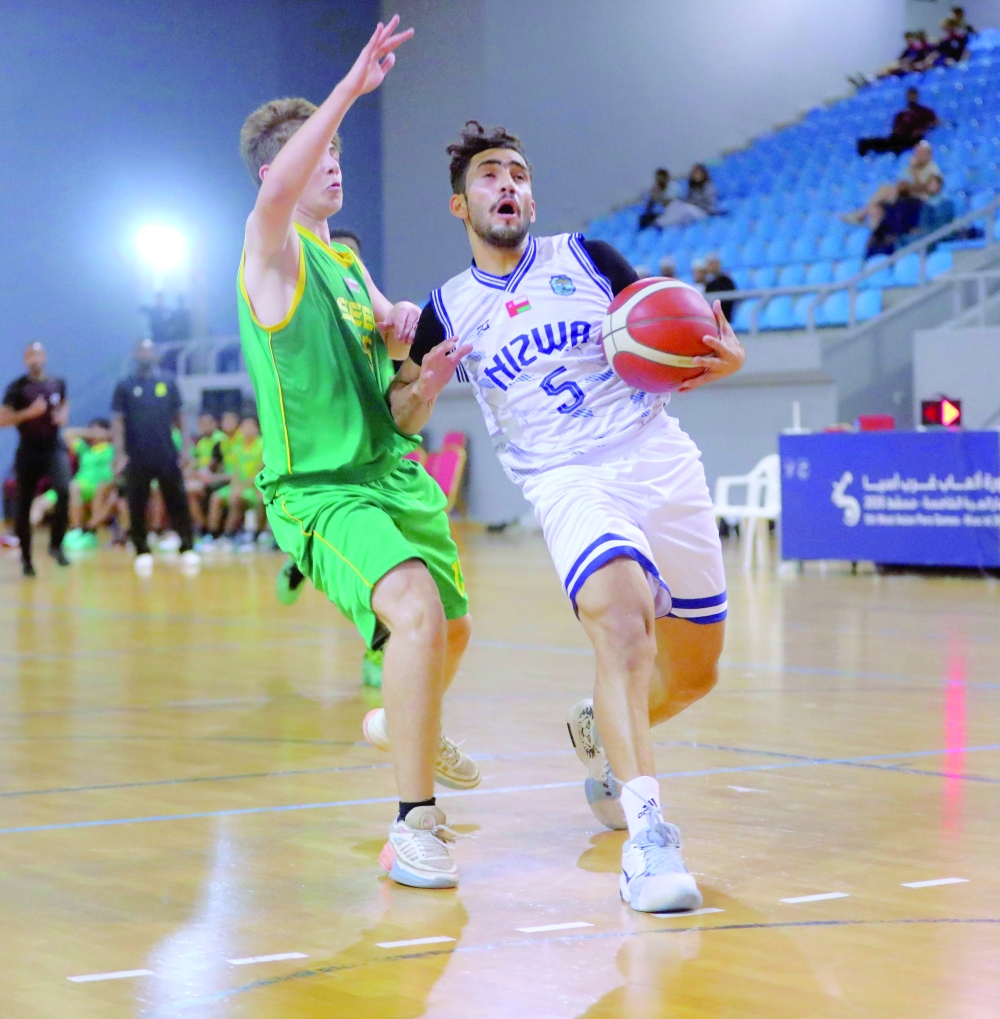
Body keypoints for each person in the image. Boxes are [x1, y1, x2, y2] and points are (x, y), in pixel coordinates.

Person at [394, 121, 745, 913]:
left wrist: (726, 355)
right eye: (490, 175)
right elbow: (402, 411)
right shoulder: (446, 308)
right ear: (461, 204)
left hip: (656, 455)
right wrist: (424, 388)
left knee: (694, 672)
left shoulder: (587, 258)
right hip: (567, 479)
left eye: (518, 172)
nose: (508, 184)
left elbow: (683, 329)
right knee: (622, 627)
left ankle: (600, 725)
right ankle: (649, 837)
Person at [236, 18, 478, 891]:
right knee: (413, 612)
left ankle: (401, 720)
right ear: (279, 172)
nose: (335, 160)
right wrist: (349, 89)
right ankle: (415, 828)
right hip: (322, 488)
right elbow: (277, 199)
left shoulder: (345, 263)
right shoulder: (271, 252)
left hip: (389, 471)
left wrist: (429, 367)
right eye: (319, 149)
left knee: (452, 629)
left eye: (341, 147)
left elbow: (401, 407)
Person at [112, 339, 199, 573]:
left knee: (177, 500)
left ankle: (187, 546)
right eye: (141, 351)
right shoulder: (125, 386)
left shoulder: (169, 382)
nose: (145, 355)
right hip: (136, 455)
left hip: (166, 453)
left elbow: (181, 416)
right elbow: (118, 421)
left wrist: (186, 449)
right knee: (136, 503)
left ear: (156, 356)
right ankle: (141, 549)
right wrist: (119, 453)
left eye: (149, 351)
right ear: (134, 355)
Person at [0, 342, 71, 576]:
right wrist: (27, 414)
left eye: (38, 355)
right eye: (30, 355)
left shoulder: (57, 383)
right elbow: (3, 420)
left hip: (53, 448)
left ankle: (56, 545)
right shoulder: (17, 388)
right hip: (29, 449)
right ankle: (27, 558)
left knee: (63, 490)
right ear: (25, 359)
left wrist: (62, 415)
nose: (35, 359)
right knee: (23, 504)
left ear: (45, 357)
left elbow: (63, 403)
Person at [843, 141, 942, 229]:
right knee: (875, 207)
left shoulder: (932, 169)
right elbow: (901, 181)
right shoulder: (913, 167)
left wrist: (912, 179)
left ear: (928, 155)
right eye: (916, 152)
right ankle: (876, 233)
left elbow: (930, 190)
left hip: (921, 200)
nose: (917, 155)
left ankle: (861, 215)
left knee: (885, 190)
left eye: (921, 153)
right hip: (906, 196)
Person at [62, 418, 117, 549]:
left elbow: (121, 436)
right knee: (74, 487)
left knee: (105, 491)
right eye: (92, 430)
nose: (95, 434)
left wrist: (107, 435)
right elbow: (67, 433)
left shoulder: (112, 448)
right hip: (83, 487)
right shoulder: (85, 449)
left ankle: (90, 530)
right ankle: (77, 531)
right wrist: (91, 433)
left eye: (98, 430)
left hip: (105, 486)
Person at [857, 88, 939, 157]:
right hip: (897, 138)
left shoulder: (924, 111)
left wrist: (923, 129)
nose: (911, 97)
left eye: (913, 95)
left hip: (912, 140)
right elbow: (894, 128)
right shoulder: (901, 113)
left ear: (917, 96)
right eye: (909, 95)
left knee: (897, 146)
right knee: (865, 142)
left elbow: (935, 122)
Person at [184, 412, 226, 534]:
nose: (203, 426)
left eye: (206, 423)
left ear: (214, 424)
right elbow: (195, 461)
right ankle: (201, 526)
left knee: (190, 492)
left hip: (218, 478)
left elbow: (214, 464)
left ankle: (205, 529)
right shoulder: (202, 442)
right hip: (204, 477)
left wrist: (197, 474)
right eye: (201, 424)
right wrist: (188, 472)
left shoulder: (219, 439)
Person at [865, 180, 924, 257]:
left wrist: (896, 235)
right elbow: (882, 226)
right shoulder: (888, 207)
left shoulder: (916, 203)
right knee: (873, 246)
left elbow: (911, 224)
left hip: (903, 237)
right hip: (888, 237)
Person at [704, 254, 737, 321]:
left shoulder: (727, 281)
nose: (711, 266)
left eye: (713, 264)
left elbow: (730, 299)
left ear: (718, 264)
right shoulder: (708, 283)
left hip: (724, 316)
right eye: (709, 264)